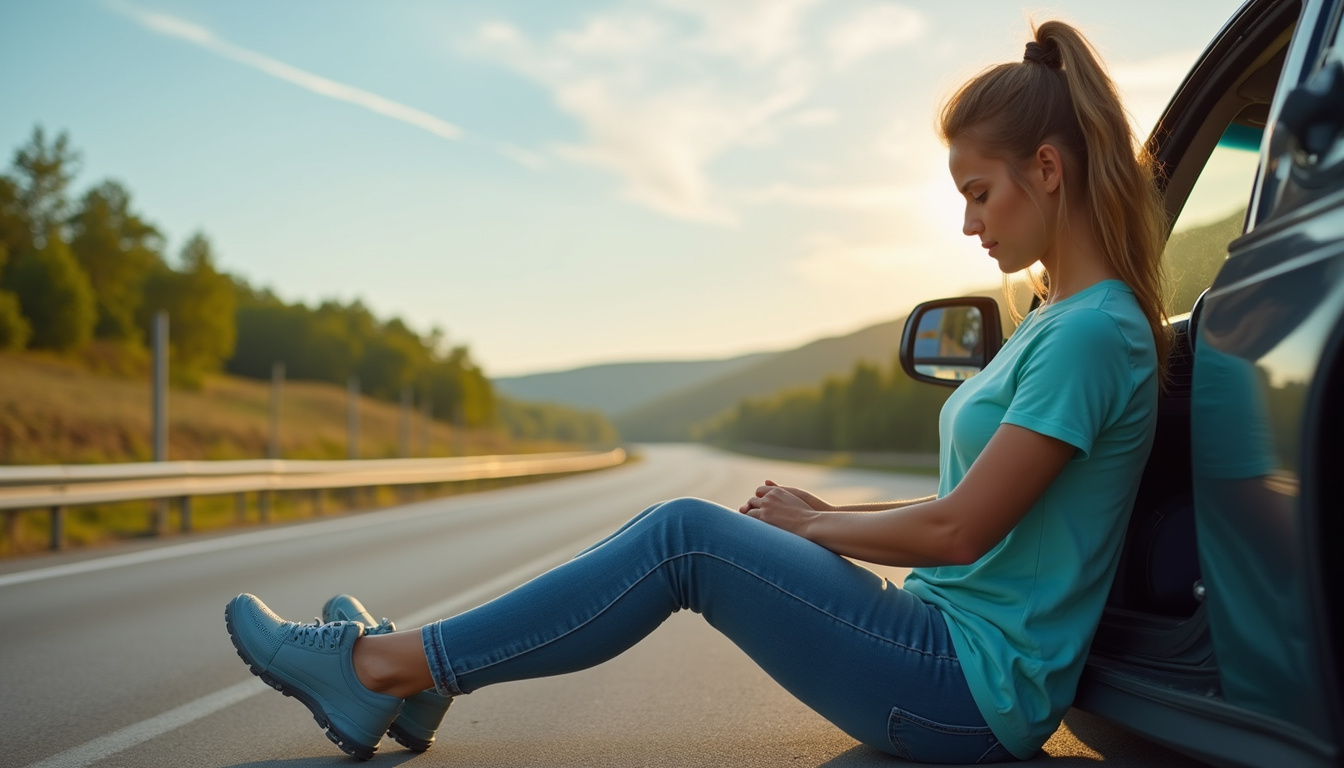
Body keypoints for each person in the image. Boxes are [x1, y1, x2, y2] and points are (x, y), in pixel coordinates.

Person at [224, 19, 1167, 764]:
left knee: (685, 537)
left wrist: (813, 527)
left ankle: (381, 667)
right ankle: (417, 679)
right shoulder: (1057, 318)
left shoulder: (1093, 332)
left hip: (966, 689)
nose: (967, 223)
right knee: (693, 533)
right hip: (941, 648)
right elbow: (969, 512)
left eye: (978, 192)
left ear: (1047, 169)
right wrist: (829, 511)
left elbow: (962, 531)